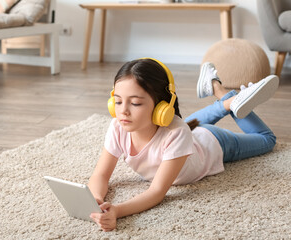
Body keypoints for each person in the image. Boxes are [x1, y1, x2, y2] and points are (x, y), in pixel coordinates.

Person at [88, 58, 279, 231]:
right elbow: (101, 174)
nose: (123, 112)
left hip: (214, 143)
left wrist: (118, 211)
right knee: (184, 125)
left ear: (162, 107)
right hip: (188, 131)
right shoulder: (118, 127)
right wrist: (96, 198)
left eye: (135, 103)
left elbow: (156, 191)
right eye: (118, 101)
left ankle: (228, 97)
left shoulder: (176, 132)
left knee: (267, 139)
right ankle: (221, 94)